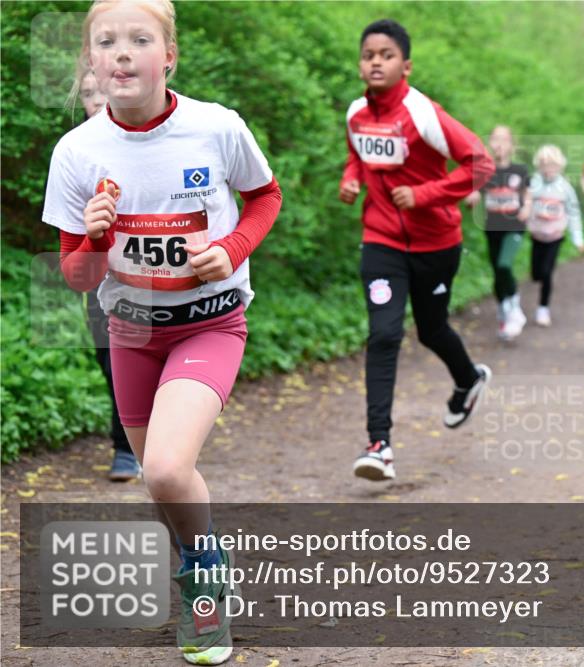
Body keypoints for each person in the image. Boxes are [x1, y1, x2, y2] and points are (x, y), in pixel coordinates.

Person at [43, 1, 283, 663]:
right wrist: (95, 235)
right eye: (106, 42)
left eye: (139, 39)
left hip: (210, 323)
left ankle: (206, 599)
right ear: (91, 62)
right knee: (161, 484)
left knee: (169, 467)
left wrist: (232, 247)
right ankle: (200, 577)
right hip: (132, 332)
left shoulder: (216, 128)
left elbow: (266, 197)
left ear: (168, 56)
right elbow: (77, 277)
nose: (122, 52)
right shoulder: (78, 153)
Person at [339, 19, 495, 482]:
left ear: (404, 64)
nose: (375, 62)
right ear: (360, 64)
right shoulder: (356, 114)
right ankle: (379, 445)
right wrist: (351, 179)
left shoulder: (422, 113)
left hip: (436, 243)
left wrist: (425, 195)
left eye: (385, 55)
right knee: (384, 334)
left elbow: (479, 163)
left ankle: (468, 380)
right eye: (368, 55)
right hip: (382, 240)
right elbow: (357, 155)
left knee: (430, 329)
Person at [72, 64, 141, 481]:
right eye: (86, 94)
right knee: (106, 358)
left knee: (128, 358)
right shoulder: (73, 151)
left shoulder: (142, 139)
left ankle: (126, 449)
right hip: (98, 273)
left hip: (145, 268)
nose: (95, 100)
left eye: (100, 91)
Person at [464, 125, 529, 340]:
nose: (499, 144)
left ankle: (514, 309)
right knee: (497, 273)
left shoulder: (519, 171)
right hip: (493, 229)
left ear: (512, 145)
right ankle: (504, 307)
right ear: (490, 144)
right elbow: (476, 191)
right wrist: (472, 197)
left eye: (504, 139)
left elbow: (527, 194)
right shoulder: (486, 171)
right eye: (495, 139)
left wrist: (527, 208)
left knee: (504, 264)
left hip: (515, 227)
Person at [525, 144, 584, 327]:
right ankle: (540, 279)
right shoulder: (533, 183)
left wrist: (578, 239)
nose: (548, 169)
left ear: (559, 166)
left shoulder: (564, 188)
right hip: (537, 236)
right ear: (539, 165)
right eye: (544, 164)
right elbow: (523, 205)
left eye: (552, 165)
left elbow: (574, 213)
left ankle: (543, 308)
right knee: (536, 273)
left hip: (555, 237)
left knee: (547, 272)